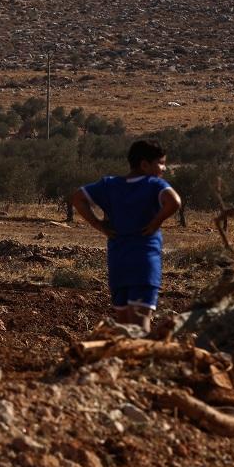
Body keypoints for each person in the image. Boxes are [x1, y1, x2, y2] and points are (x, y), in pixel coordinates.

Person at [70, 139, 182, 330]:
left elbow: (78, 197)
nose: (164, 168)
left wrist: (99, 225)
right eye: (161, 163)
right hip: (144, 264)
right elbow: (174, 201)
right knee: (140, 326)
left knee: (124, 327)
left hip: (118, 263)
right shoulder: (154, 184)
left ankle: (124, 358)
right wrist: (156, 222)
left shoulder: (109, 185)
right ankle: (143, 359)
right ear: (144, 164)